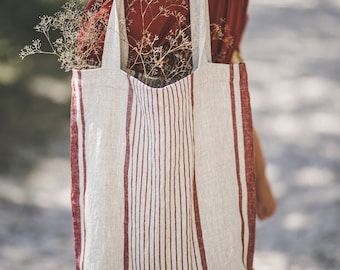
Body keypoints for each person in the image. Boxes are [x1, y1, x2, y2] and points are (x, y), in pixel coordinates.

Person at [79, 0, 276, 221]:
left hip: (139, 145)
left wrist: (259, 174)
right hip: (199, 144)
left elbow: (92, 48)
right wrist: (259, 176)